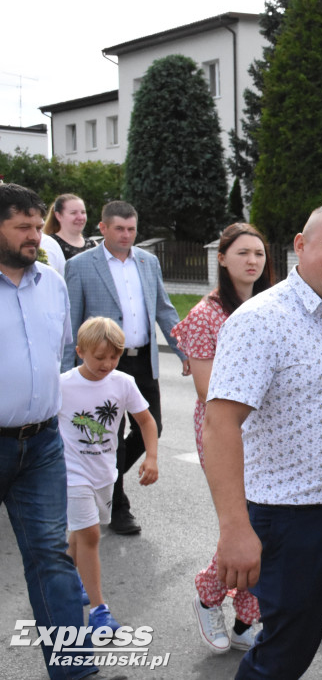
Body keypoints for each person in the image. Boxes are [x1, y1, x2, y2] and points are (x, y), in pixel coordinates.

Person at [203, 201, 322, 678]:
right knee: (284, 657)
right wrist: (234, 528)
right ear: (301, 246)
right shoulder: (260, 320)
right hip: (292, 523)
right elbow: (220, 423)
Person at [0, 181, 100, 679]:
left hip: (40, 444)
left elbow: (61, 352)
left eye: (38, 226)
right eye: (22, 227)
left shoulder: (53, 283)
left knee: (52, 560)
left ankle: (74, 671)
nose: (34, 237)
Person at [171, 223, 273, 654]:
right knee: (245, 524)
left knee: (265, 525)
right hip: (224, 433)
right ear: (222, 258)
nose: (253, 261)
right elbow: (206, 390)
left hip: (269, 431)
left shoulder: (271, 307)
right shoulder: (205, 315)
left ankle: (247, 621)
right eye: (243, 253)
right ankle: (207, 594)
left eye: (260, 254)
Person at [62, 201, 187, 535]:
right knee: (109, 436)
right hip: (102, 364)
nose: (127, 235)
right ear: (103, 228)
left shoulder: (148, 262)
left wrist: (184, 351)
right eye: (119, 228)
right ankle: (117, 508)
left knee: (152, 428)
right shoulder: (80, 266)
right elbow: (71, 323)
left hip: (142, 360)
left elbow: (164, 309)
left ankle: (104, 482)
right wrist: (66, 372)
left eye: (132, 229)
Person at [59, 317, 158, 633]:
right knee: (90, 535)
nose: (107, 364)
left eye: (113, 357)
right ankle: (100, 611)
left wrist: (152, 457)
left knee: (80, 532)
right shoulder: (61, 385)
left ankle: (70, 579)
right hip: (71, 474)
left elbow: (146, 421)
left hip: (104, 473)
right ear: (79, 352)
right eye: (99, 357)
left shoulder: (123, 383)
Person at [44, 194, 96, 261]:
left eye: (83, 212)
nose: (80, 217)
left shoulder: (94, 245)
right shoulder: (49, 244)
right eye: (73, 213)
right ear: (59, 216)